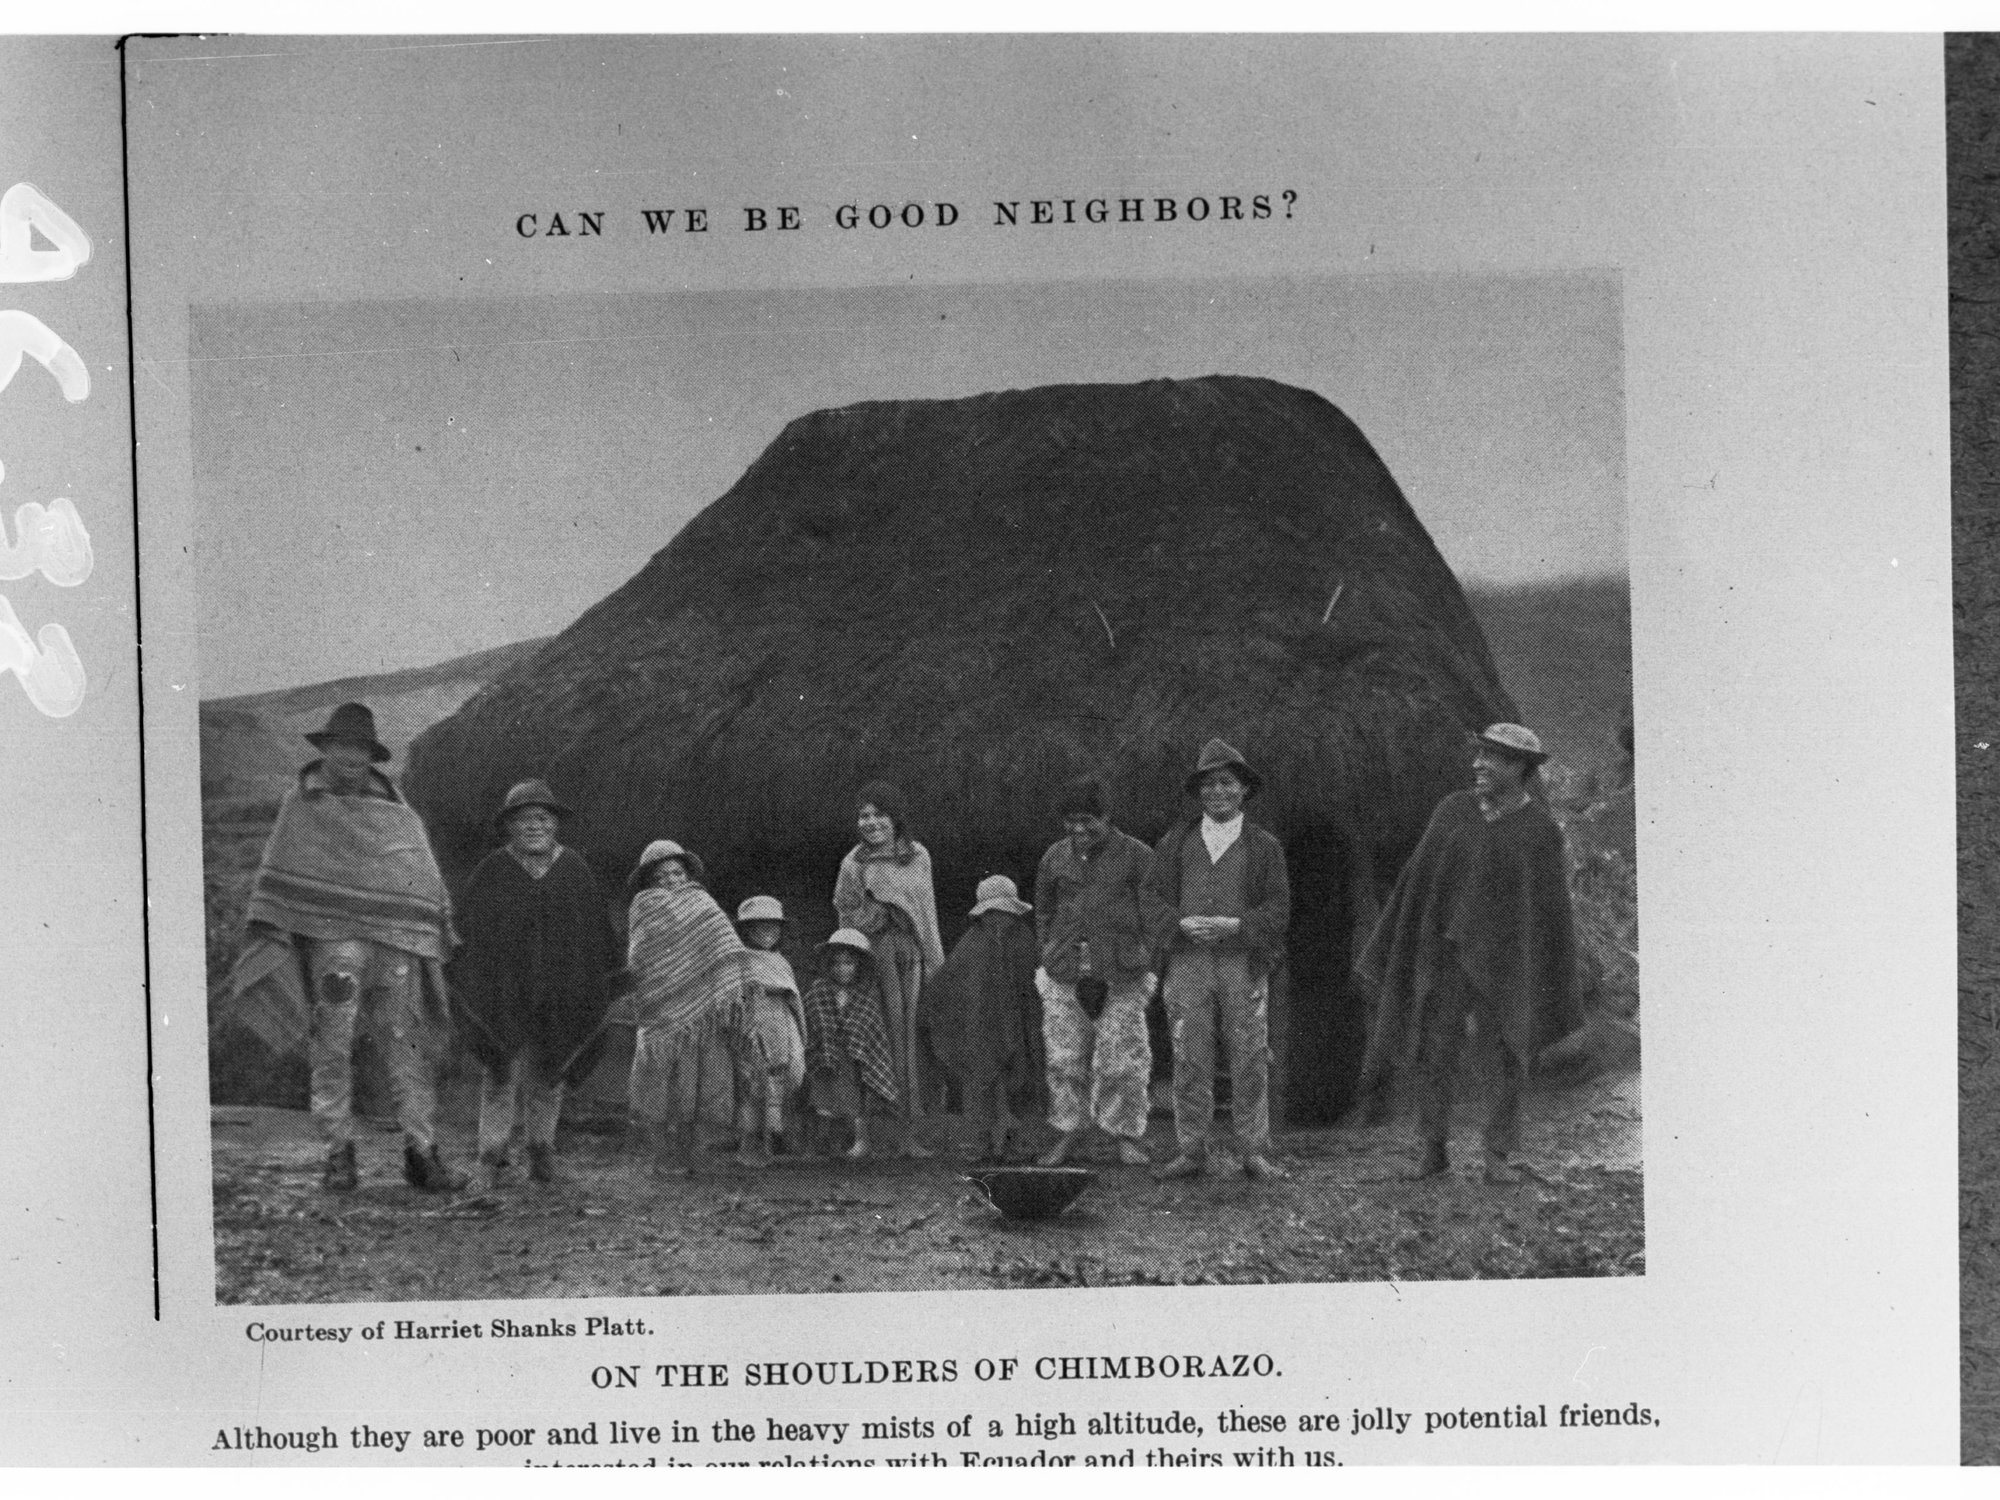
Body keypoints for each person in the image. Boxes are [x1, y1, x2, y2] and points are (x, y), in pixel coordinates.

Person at [227, 701, 466, 1193]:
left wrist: (430, 921)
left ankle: (422, 1154)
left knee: (407, 1045)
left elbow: (421, 876)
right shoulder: (303, 807)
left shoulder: (397, 813)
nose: (351, 757)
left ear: (370, 755)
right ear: (326, 750)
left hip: (395, 946)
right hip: (335, 949)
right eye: (342, 747)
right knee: (333, 1044)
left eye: (360, 748)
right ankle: (339, 1152)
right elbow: (279, 882)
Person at [1352, 723, 1584, 1186]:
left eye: (1491, 757)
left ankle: (1498, 1154)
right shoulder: (1452, 812)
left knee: (1506, 1051)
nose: (1478, 763)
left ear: (1519, 768)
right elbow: (1418, 882)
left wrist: (1542, 967)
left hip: (1509, 961)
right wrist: (1400, 942)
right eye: (1478, 754)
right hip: (1444, 956)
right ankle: (1433, 1149)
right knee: (1434, 1048)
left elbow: (1548, 910)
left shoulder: (1540, 830)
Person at [449, 779, 620, 1191]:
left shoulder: (574, 868)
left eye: (542, 818)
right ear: (509, 826)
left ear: (555, 824)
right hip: (504, 989)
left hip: (562, 989)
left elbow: (595, 931)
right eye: (523, 819)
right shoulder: (493, 870)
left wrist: (604, 978)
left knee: (550, 1070)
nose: (534, 826)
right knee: (501, 1071)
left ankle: (541, 1151)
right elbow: (468, 928)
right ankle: (489, 1156)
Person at [1144, 739, 1292, 1183]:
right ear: (1198, 792)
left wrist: (1237, 926)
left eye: (1226, 783)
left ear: (1244, 789)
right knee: (1190, 1055)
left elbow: (1279, 907)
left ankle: (1252, 1150)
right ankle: (1192, 1150)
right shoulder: (1177, 841)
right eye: (1208, 785)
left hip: (1241, 963)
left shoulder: (1263, 846)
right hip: (1188, 963)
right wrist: (1178, 924)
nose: (1217, 793)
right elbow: (1151, 898)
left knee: (1248, 1053)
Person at [1032, 776, 1159, 1168]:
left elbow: (1154, 912)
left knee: (1123, 1059)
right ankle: (1070, 1131)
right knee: (1064, 1057)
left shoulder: (1137, 856)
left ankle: (1124, 1135)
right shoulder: (1055, 857)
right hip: (1064, 971)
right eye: (1071, 821)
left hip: (1123, 971)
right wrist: (1050, 947)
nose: (1079, 829)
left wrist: (1143, 955)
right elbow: (1044, 909)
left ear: (1107, 817)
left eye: (1088, 820)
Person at [832, 780, 946, 1157]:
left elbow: (926, 913)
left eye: (879, 814)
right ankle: (863, 1134)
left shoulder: (917, 856)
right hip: (871, 956)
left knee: (907, 1041)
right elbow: (845, 912)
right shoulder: (853, 863)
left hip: (908, 957)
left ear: (895, 818)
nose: (871, 822)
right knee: (867, 1037)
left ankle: (907, 1134)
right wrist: (851, 953)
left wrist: (934, 962)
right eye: (863, 815)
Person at [622, 840, 747, 1178]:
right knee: (656, 1083)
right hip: (659, 1009)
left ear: (687, 873)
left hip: (699, 1013)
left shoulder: (703, 903)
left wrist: (726, 990)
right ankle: (662, 1155)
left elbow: (725, 946)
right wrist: (654, 979)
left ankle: (690, 1152)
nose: (672, 880)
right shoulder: (643, 907)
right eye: (662, 876)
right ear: (650, 880)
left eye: (677, 872)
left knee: (694, 1084)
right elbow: (639, 954)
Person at [920, 875, 1044, 1163]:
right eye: (993, 912)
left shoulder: (1023, 940)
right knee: (981, 1082)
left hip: (1018, 1023)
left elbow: (1034, 982)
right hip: (981, 1026)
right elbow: (949, 982)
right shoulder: (973, 942)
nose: (999, 918)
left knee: (1019, 1079)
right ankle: (983, 1140)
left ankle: (1014, 1140)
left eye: (1004, 911)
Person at [800, 929, 900, 1160]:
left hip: (852, 1059)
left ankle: (860, 1141)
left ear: (859, 967)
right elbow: (810, 1020)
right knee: (823, 1099)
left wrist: (859, 1050)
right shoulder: (819, 991)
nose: (842, 969)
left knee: (853, 1100)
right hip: (824, 1057)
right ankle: (823, 1143)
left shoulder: (864, 1000)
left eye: (848, 963)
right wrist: (822, 1043)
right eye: (836, 963)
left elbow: (872, 1033)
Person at [731, 895, 808, 1168]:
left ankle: (777, 1138)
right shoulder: (739, 961)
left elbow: (793, 998)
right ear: (747, 931)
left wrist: (796, 1031)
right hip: (754, 1024)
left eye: (773, 928)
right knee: (754, 1084)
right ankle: (750, 1142)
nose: (768, 933)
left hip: (781, 1024)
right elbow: (735, 994)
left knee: (785, 1077)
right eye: (760, 927)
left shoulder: (781, 961)